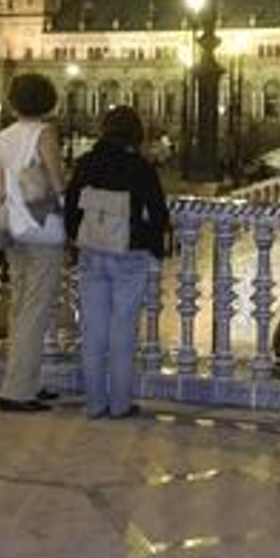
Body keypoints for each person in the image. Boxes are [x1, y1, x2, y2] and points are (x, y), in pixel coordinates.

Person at [65, 105, 171, 420]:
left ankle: (95, 403)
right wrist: (150, 245)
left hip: (92, 254)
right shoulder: (140, 167)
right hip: (128, 254)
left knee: (93, 330)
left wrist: (78, 239)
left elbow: (71, 209)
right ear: (135, 134)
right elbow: (159, 214)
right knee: (122, 331)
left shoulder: (86, 163)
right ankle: (121, 404)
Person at [0, 73, 66, 414]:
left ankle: (27, 380)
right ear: (47, 100)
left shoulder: (2, 137)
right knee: (35, 309)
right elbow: (57, 181)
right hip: (43, 228)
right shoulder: (44, 133)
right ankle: (17, 390)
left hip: (14, 228)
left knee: (20, 304)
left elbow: (1, 191)